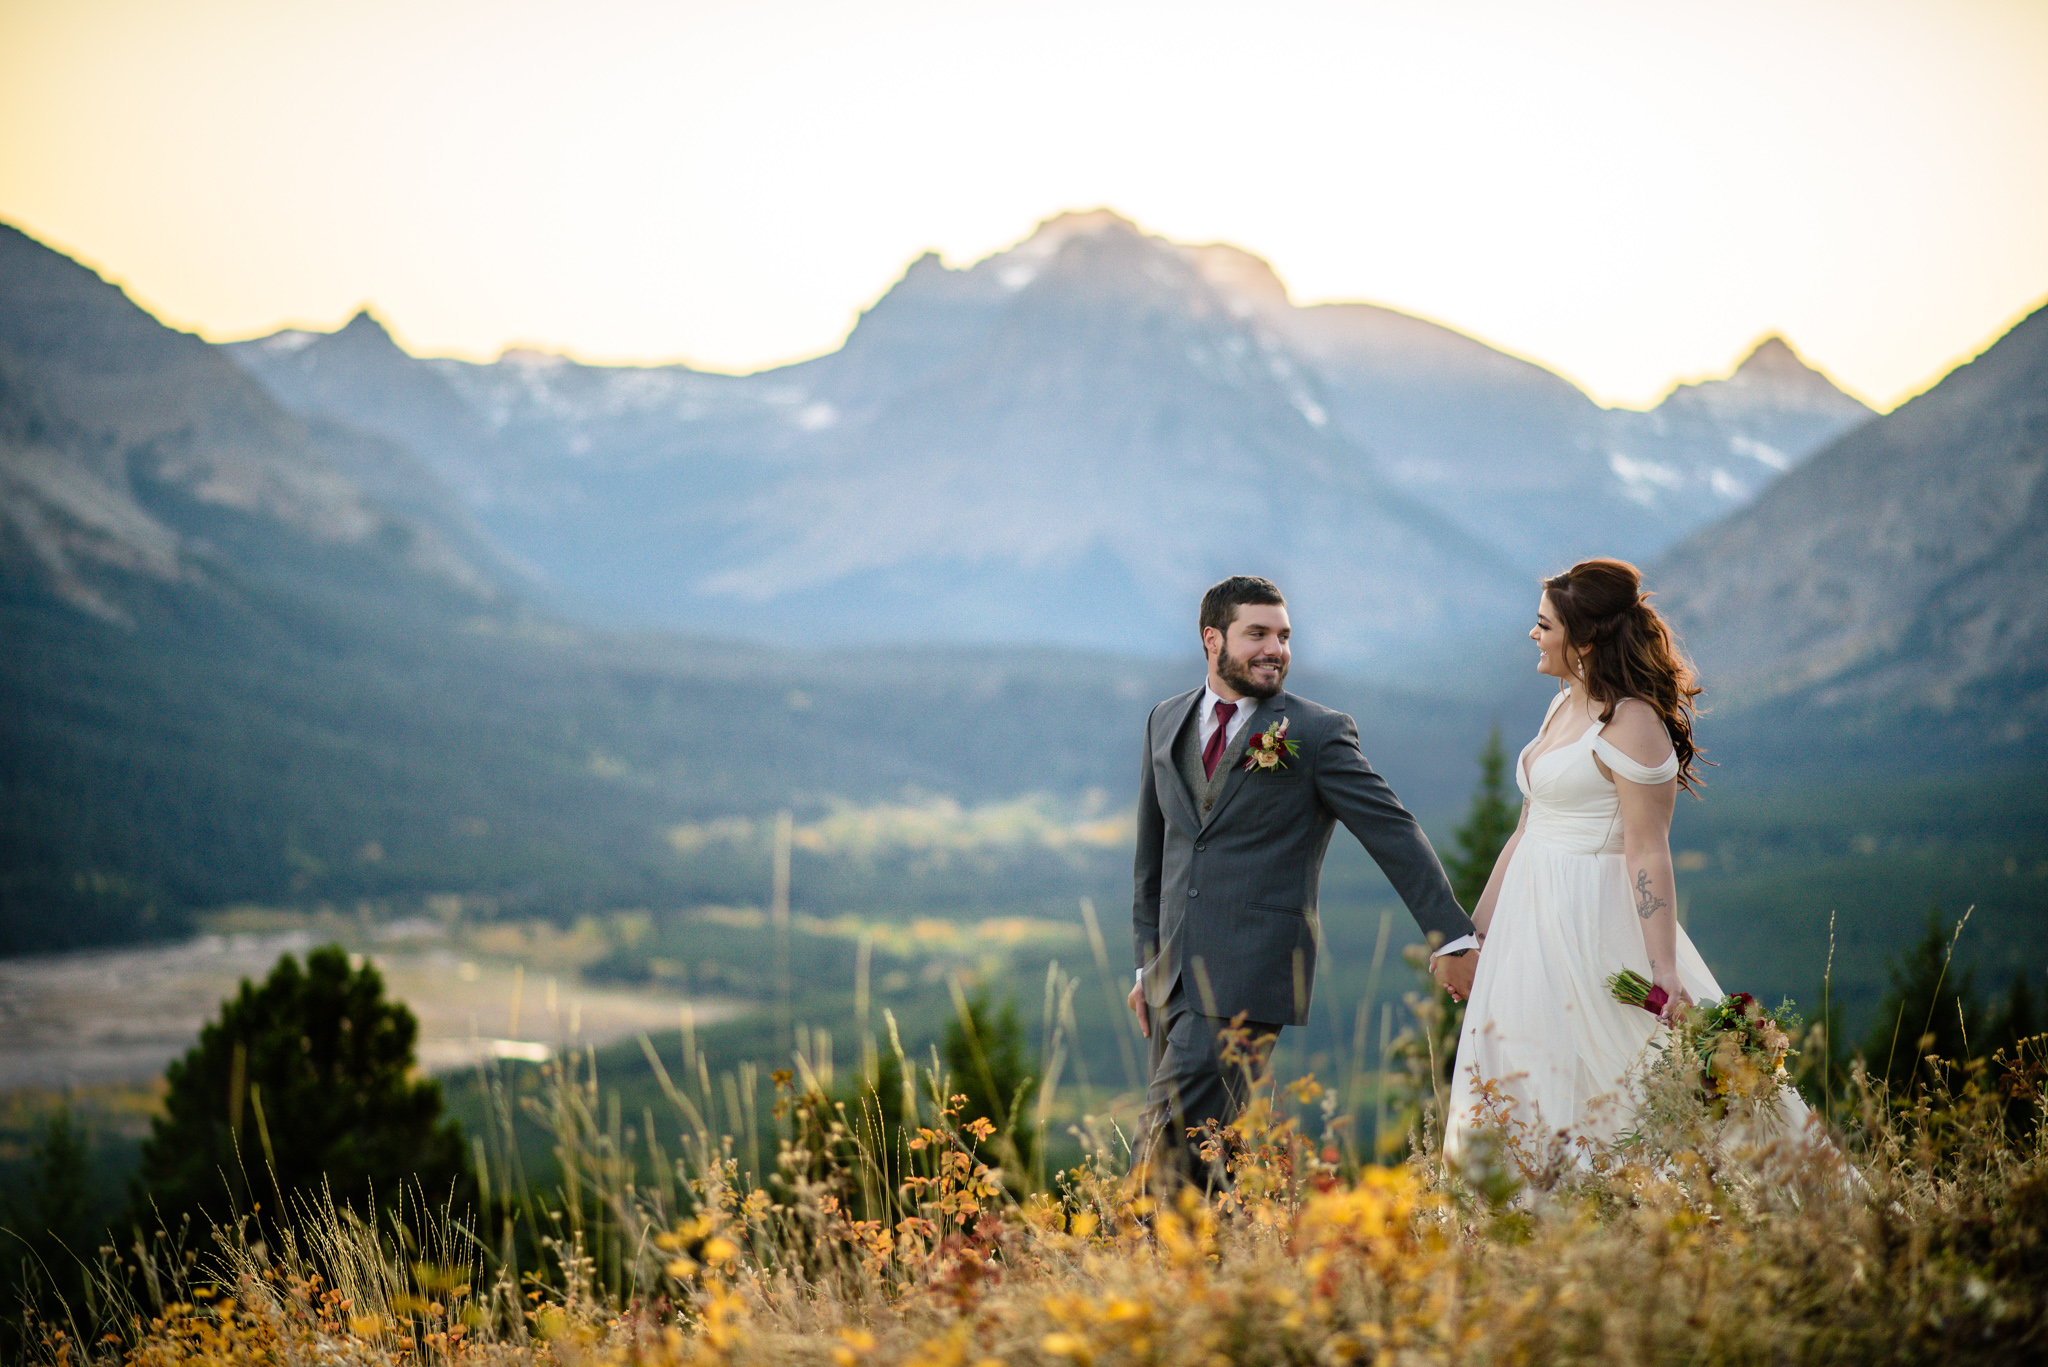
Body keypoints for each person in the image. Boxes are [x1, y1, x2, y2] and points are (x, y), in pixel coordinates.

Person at [1442, 557, 1814, 1163]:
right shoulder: (1562, 705)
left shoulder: (1633, 722)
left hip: (1589, 925)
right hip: (1527, 929)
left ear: (1586, 639)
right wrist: (1476, 933)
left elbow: (1648, 848)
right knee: (1523, 1080)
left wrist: (1662, 968)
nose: (1533, 634)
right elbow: (1526, 829)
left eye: (1545, 625)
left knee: (1625, 1086)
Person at [1129, 574, 1477, 1190]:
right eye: (1257, 634)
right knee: (1208, 1154)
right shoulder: (1165, 719)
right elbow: (1154, 855)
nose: (1276, 650)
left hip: (1249, 970)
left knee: (1165, 1139)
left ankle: (1128, 1248)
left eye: (1284, 636)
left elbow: (1392, 831)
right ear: (1212, 640)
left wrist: (1451, 936)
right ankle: (1229, 1249)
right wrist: (1147, 963)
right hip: (1170, 977)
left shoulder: (1316, 733)